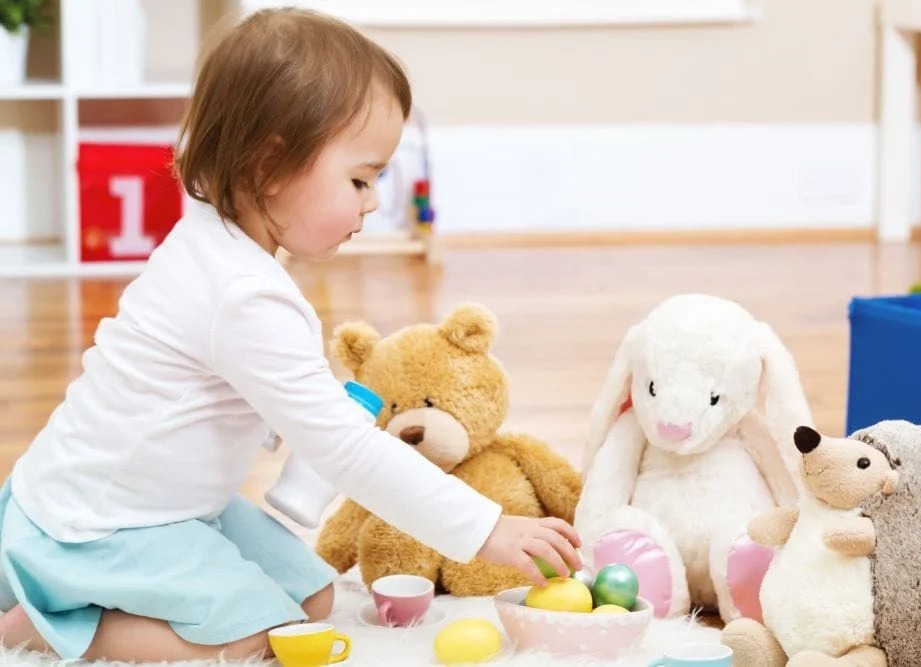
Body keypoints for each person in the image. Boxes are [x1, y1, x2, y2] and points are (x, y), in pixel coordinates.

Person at [0, 7, 581, 663]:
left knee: (312, 602)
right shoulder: (240, 293)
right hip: (98, 524)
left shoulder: (221, 250)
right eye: (360, 179)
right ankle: (42, 621)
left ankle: (81, 599)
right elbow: (348, 455)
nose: (371, 203)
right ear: (271, 164)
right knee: (264, 634)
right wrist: (484, 527)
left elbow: (235, 390)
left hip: (168, 504)